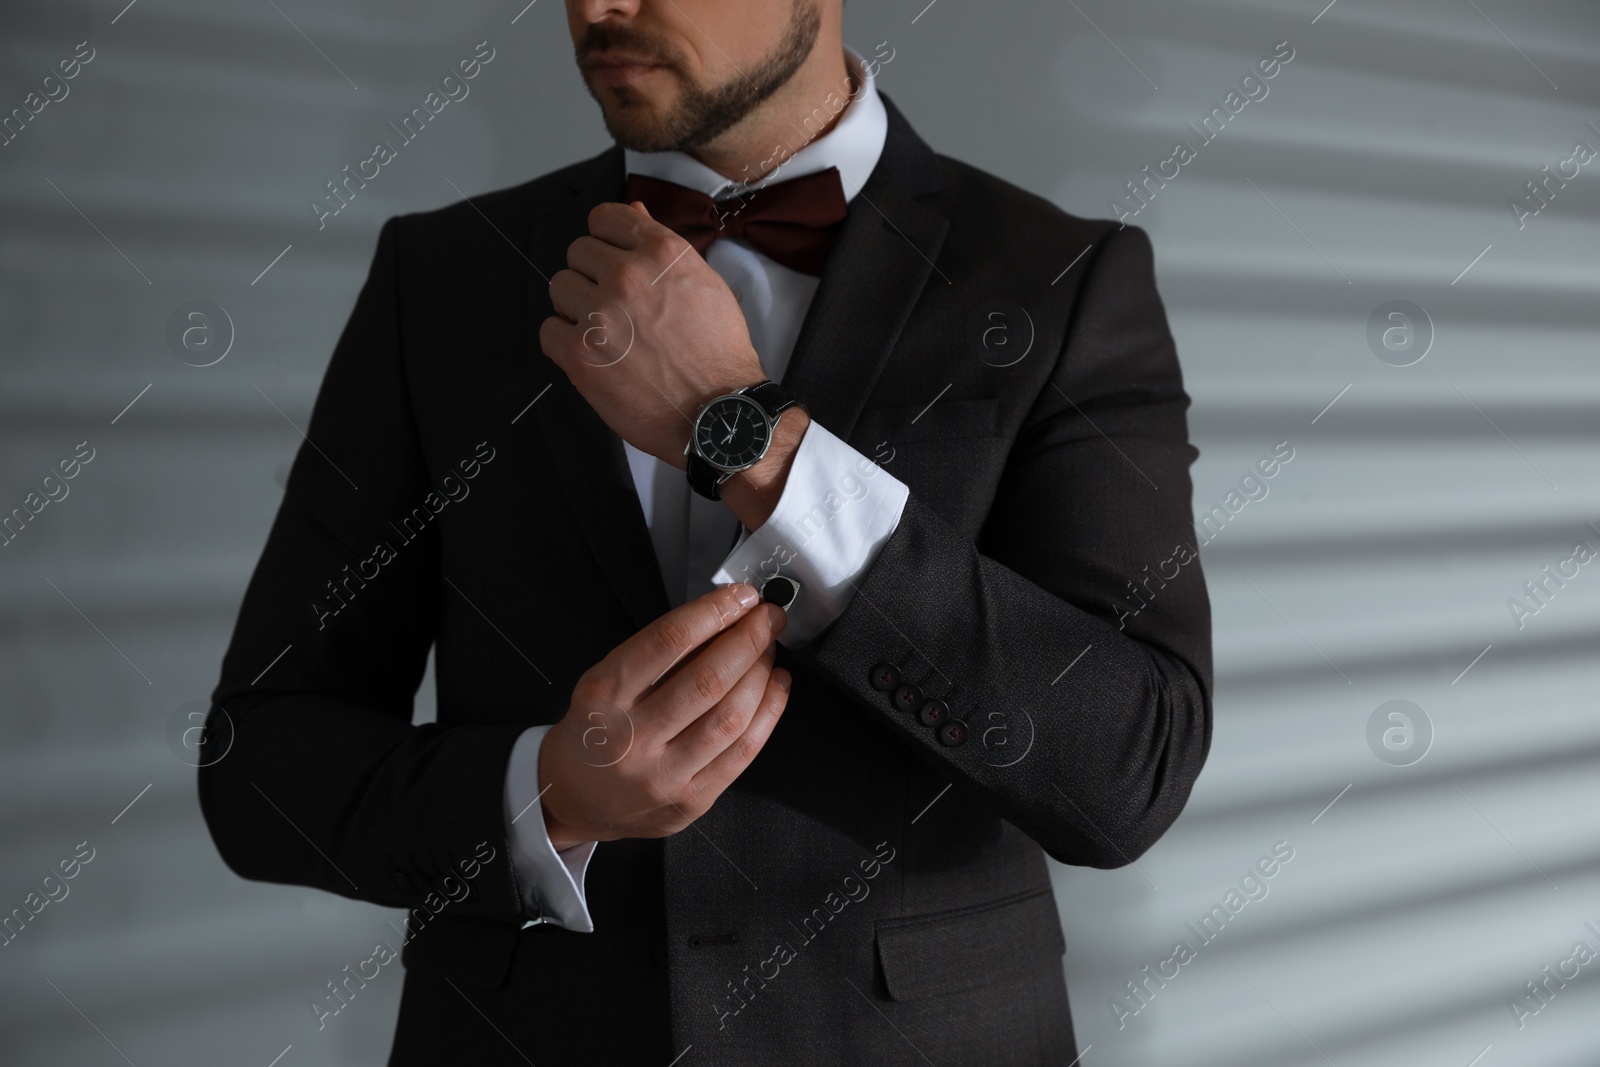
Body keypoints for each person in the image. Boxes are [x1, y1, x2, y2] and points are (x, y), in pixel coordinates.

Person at [199, 0, 1214, 1063]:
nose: (600, 7)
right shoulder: (443, 276)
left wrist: (743, 437)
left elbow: (1126, 770)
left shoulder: (1059, 279)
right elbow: (257, 759)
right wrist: (542, 795)